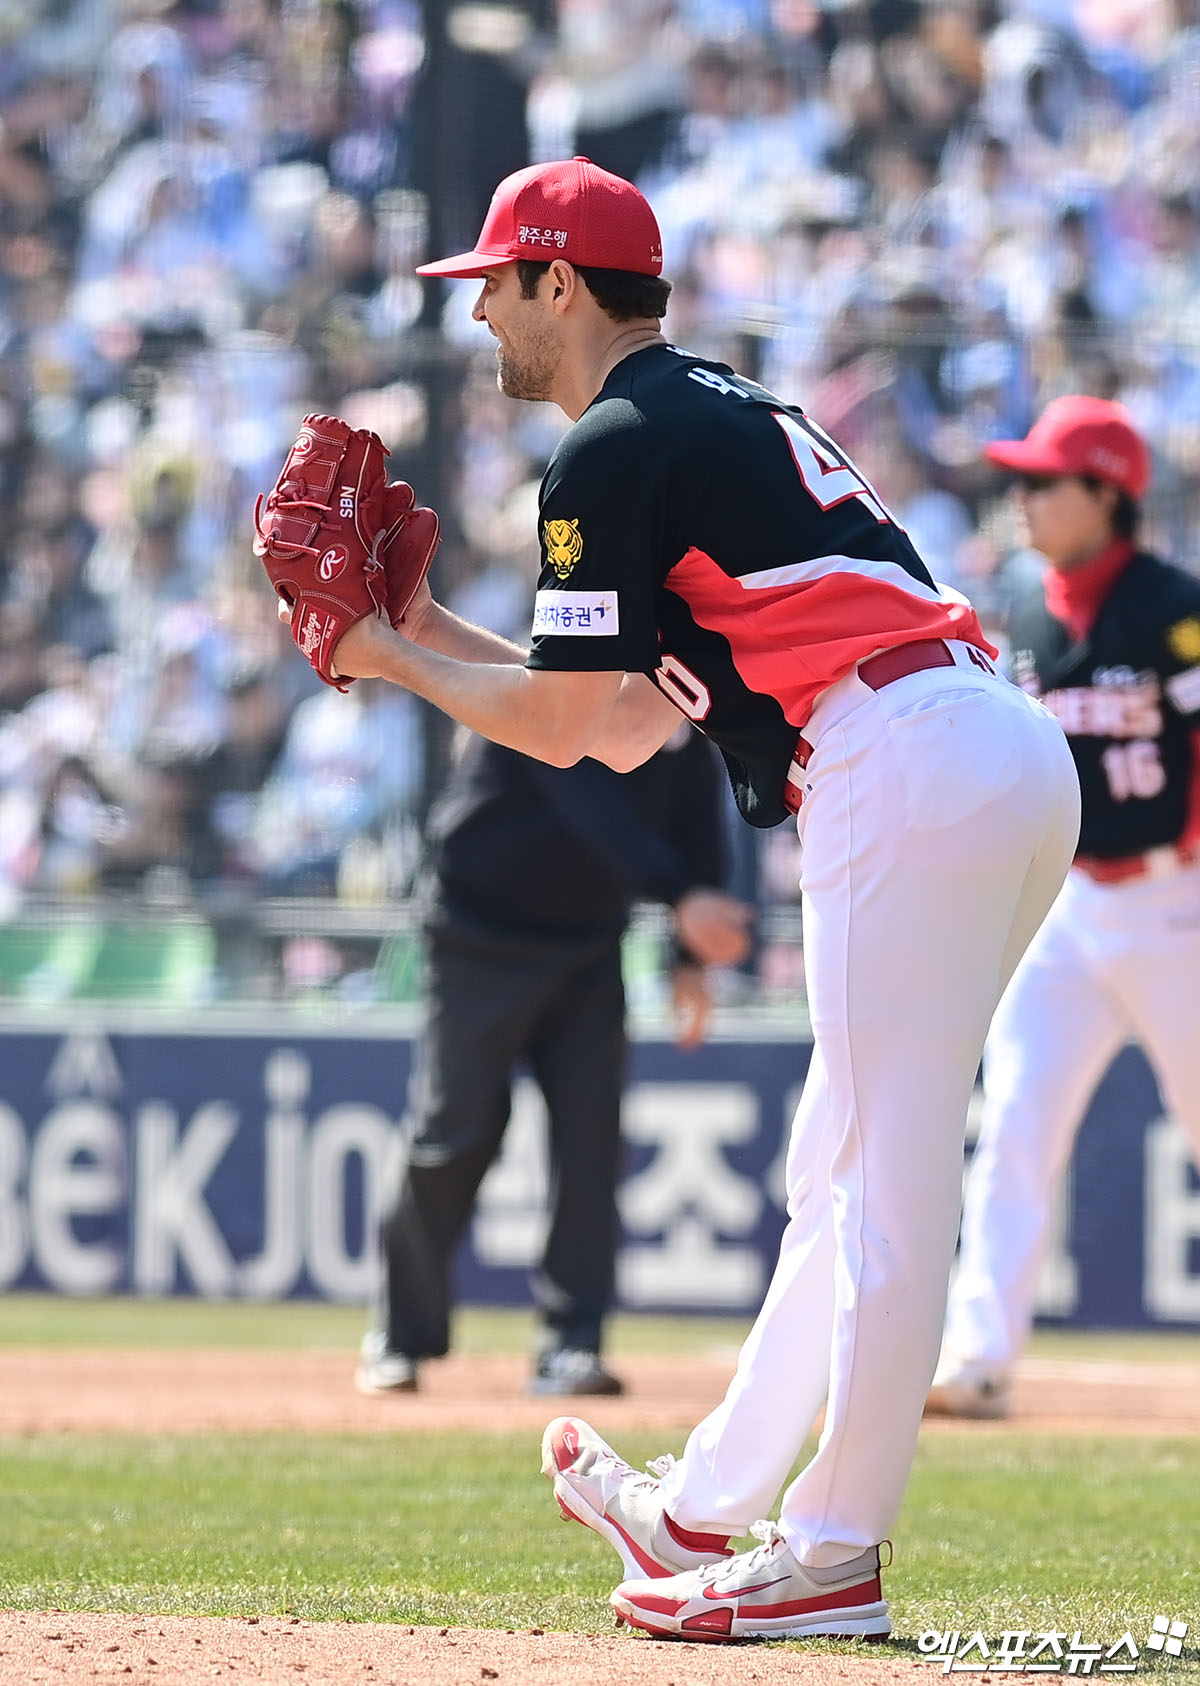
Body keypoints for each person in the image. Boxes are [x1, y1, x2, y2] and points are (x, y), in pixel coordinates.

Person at [313, 158, 1081, 1642]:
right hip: (967, 739)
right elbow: (612, 724)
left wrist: (384, 658)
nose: (481, 317)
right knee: (839, 1168)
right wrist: (418, 624)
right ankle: (707, 1505)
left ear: (558, 281)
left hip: (900, 752)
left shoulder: (608, 442)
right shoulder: (698, 413)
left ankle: (834, 1554)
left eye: (496, 285)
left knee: (883, 1178)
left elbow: (558, 726)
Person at [927, 397, 1200, 1420]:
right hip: (1070, 910)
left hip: (1178, 903)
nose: (1023, 497)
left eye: (1044, 482)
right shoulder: (1027, 615)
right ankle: (979, 1358)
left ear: (1107, 494)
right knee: (1013, 1127)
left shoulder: (1175, 607)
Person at [357, 724, 752, 1400]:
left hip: (590, 942)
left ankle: (571, 1345)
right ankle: (399, 1337)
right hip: (477, 932)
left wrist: (690, 957)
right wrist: (681, 898)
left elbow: (697, 818)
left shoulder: (680, 700)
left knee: (590, 1140)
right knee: (454, 1131)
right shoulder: (552, 678)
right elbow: (585, 798)